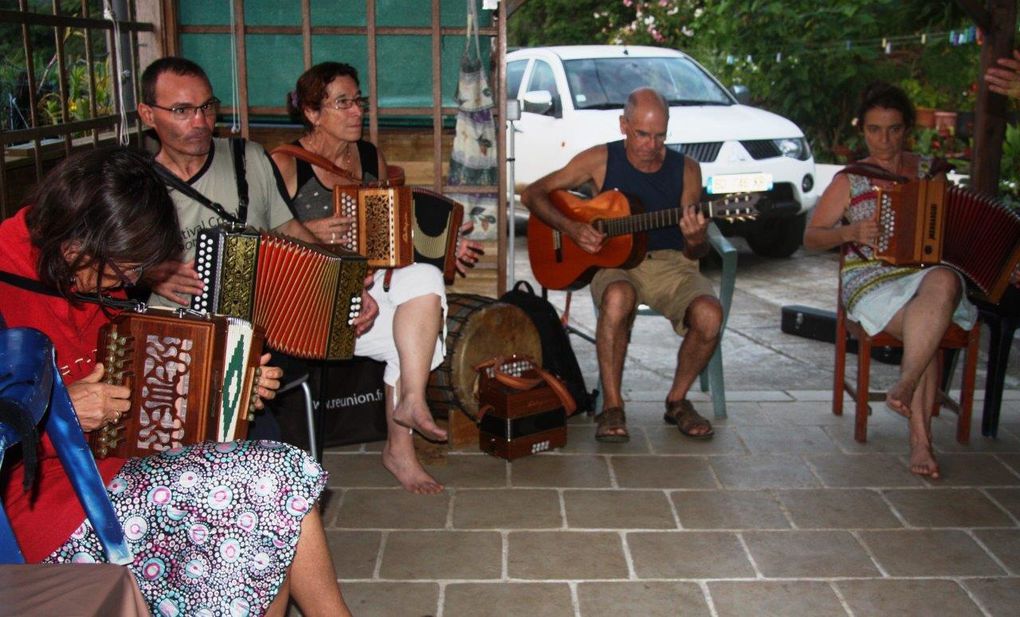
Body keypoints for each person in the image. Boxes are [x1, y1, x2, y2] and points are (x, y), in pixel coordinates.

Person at [0, 146, 352, 616]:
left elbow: (138, 386)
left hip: (125, 470)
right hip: (50, 508)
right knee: (274, 484)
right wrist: (54, 414)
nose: (125, 283)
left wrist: (231, 388)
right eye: (124, 270)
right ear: (74, 247)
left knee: (274, 501)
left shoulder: (91, 263)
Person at [136, 57, 379, 440]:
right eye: (182, 110)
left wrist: (347, 286)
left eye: (207, 107)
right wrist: (149, 273)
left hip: (263, 332)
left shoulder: (247, 159)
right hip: (179, 341)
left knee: (250, 423)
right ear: (148, 114)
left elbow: (290, 229)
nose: (199, 121)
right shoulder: (136, 185)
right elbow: (103, 264)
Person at [272, 62, 481, 495]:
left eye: (358, 101)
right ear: (312, 113)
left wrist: (446, 246)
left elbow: (393, 232)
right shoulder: (285, 164)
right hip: (312, 298)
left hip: (371, 284)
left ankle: (412, 403)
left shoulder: (369, 156)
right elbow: (259, 239)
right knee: (417, 342)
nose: (356, 111)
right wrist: (310, 235)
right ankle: (402, 440)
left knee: (425, 278)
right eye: (342, 103)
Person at [521, 87, 722, 443]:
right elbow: (533, 193)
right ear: (623, 125)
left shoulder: (687, 170)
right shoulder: (599, 160)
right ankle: (612, 406)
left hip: (672, 266)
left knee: (710, 315)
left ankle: (677, 401)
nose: (652, 145)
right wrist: (572, 228)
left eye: (660, 135)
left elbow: (696, 253)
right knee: (616, 298)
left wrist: (694, 239)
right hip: (615, 265)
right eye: (642, 134)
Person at [804, 82, 977, 479]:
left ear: (907, 130)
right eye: (874, 130)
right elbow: (812, 238)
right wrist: (849, 234)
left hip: (925, 275)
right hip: (870, 277)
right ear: (863, 131)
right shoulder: (852, 179)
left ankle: (906, 382)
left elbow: (954, 229)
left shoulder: (930, 175)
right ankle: (920, 440)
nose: (884, 139)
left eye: (894, 129)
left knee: (944, 281)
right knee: (928, 326)